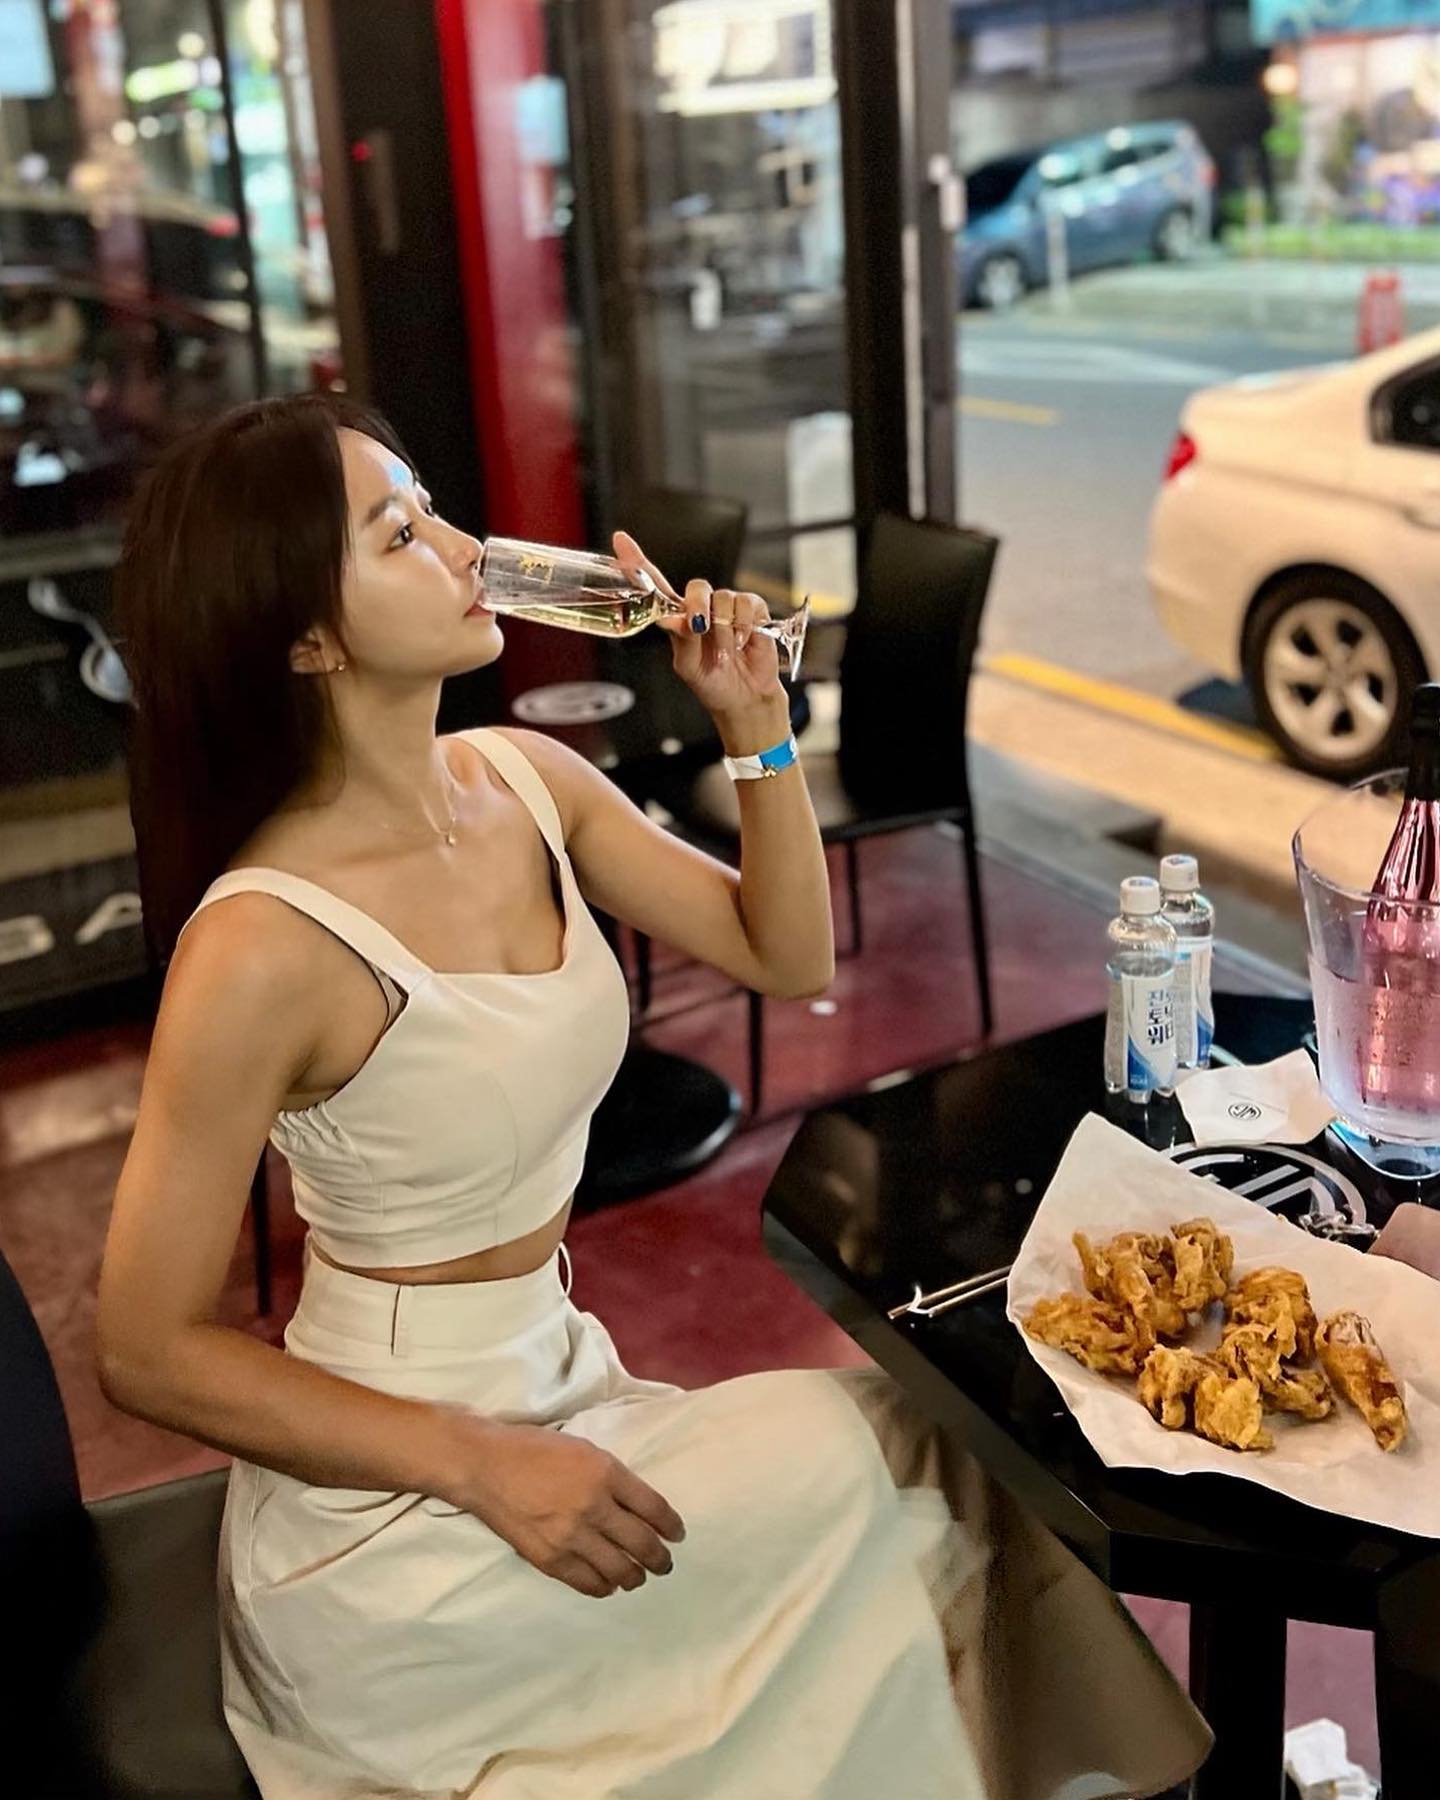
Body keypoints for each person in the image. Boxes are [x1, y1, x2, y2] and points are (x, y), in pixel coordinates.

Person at [96, 393, 1210, 1800]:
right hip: (400, 1502)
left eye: (433, 507)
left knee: (944, 1460)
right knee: (912, 1471)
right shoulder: (260, 945)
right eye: (399, 535)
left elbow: (785, 953)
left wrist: (756, 726)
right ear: (306, 638)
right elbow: (145, 1347)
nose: (468, 547)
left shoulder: (525, 779)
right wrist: (477, 1463)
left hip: (563, 1377)